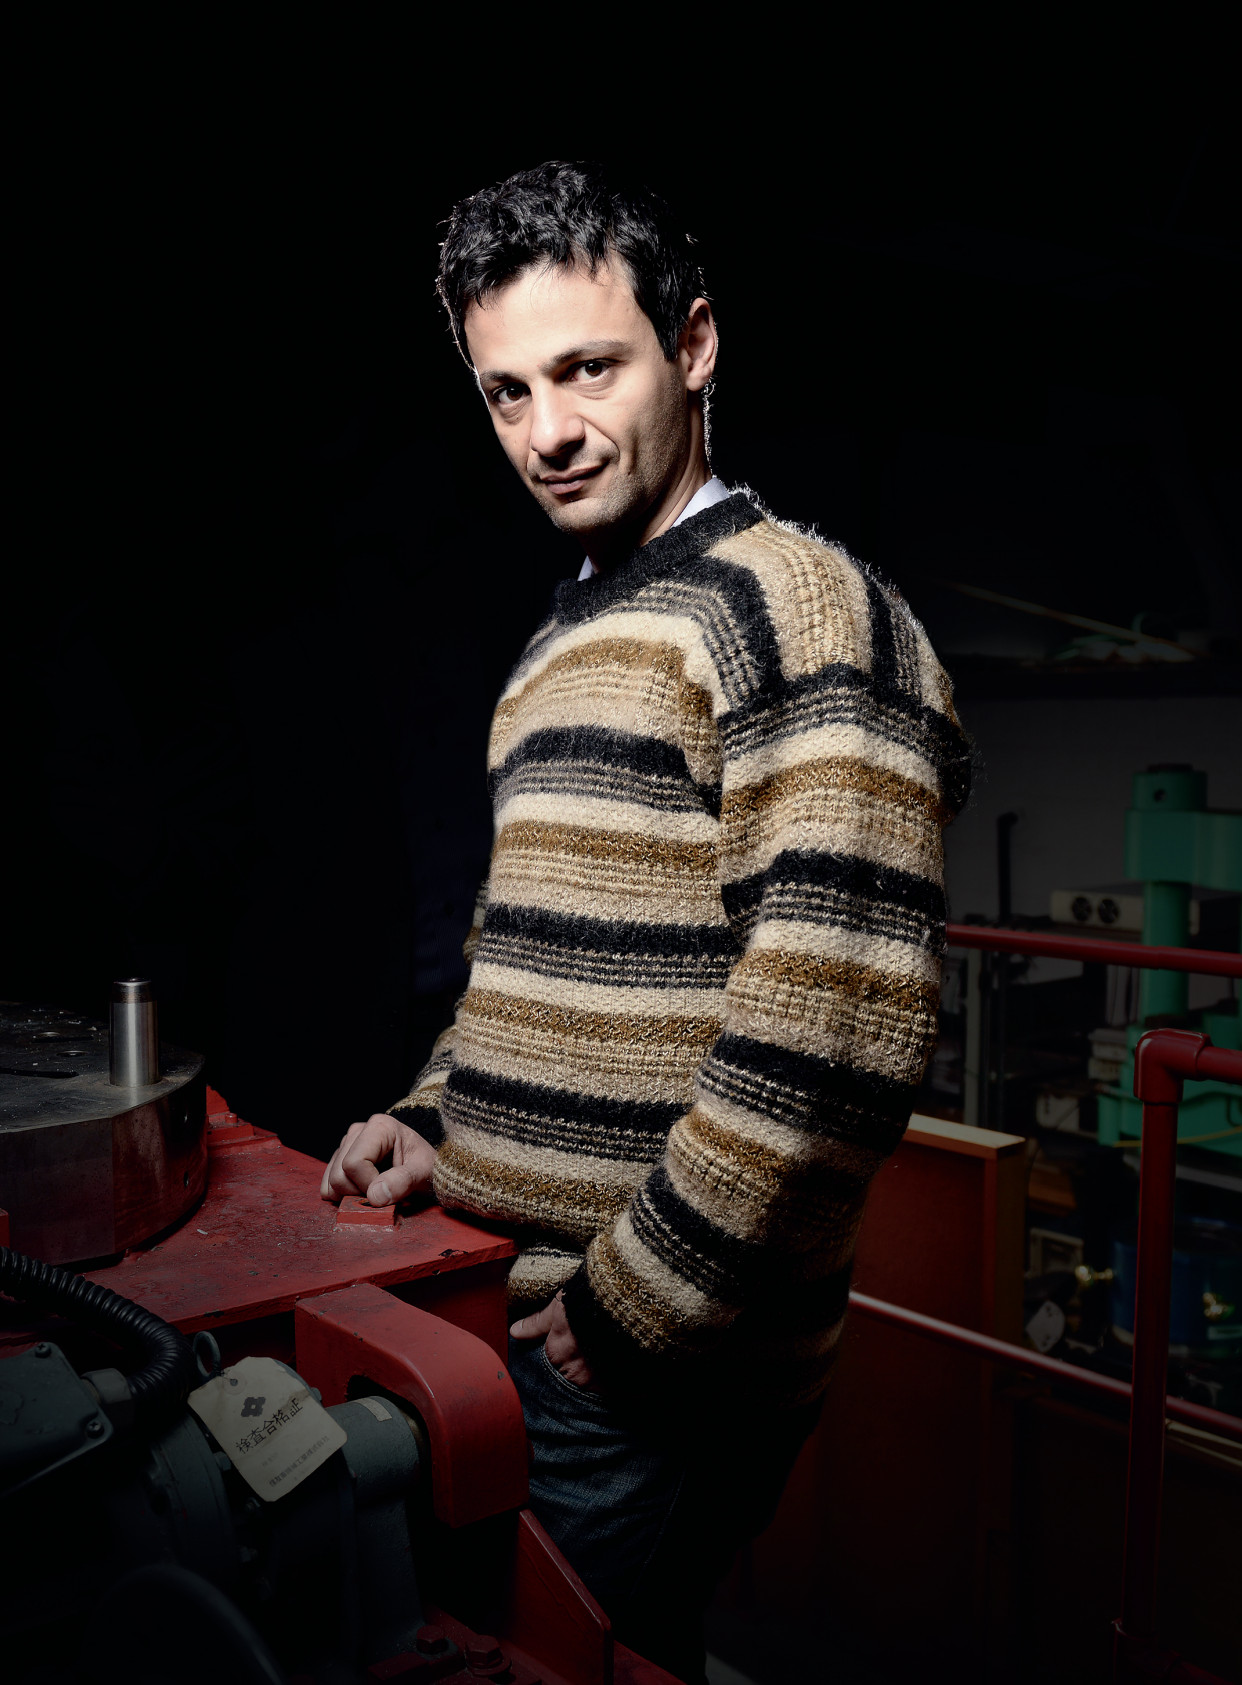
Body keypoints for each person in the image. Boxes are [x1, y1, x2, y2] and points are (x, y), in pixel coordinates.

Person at [319, 160, 971, 1682]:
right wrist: (433, 1119)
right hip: (511, 1316)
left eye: (589, 369)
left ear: (694, 344)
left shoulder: (799, 610)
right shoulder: (559, 644)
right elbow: (519, 971)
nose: (546, 432)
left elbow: (835, 1032)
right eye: (507, 392)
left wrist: (637, 1307)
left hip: (644, 1368)